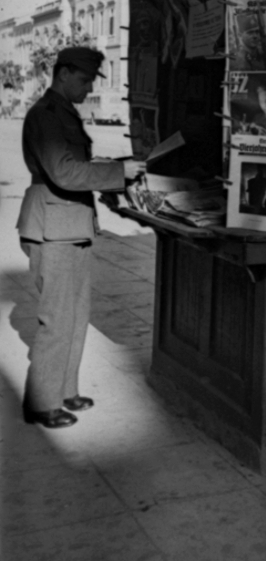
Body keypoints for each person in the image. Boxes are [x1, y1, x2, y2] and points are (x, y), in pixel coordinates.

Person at [16, 47, 146, 429]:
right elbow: (65, 174)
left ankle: (63, 390)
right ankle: (41, 403)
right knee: (57, 318)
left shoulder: (64, 113)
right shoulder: (47, 115)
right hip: (52, 228)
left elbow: (77, 172)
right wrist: (117, 171)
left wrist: (112, 182)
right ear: (63, 73)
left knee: (75, 316)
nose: (89, 87)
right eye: (85, 79)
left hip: (69, 225)